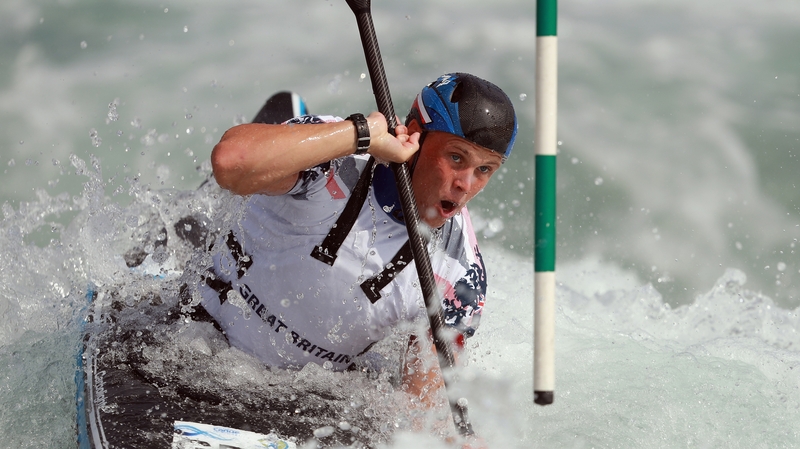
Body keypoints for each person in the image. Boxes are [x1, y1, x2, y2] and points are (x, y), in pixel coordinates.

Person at [198, 72, 517, 439]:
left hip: (284, 399)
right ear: (414, 134)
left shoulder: (458, 275)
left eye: (484, 170)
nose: (465, 185)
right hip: (196, 331)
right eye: (456, 157)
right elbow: (229, 162)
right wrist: (362, 133)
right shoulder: (336, 159)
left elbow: (422, 418)